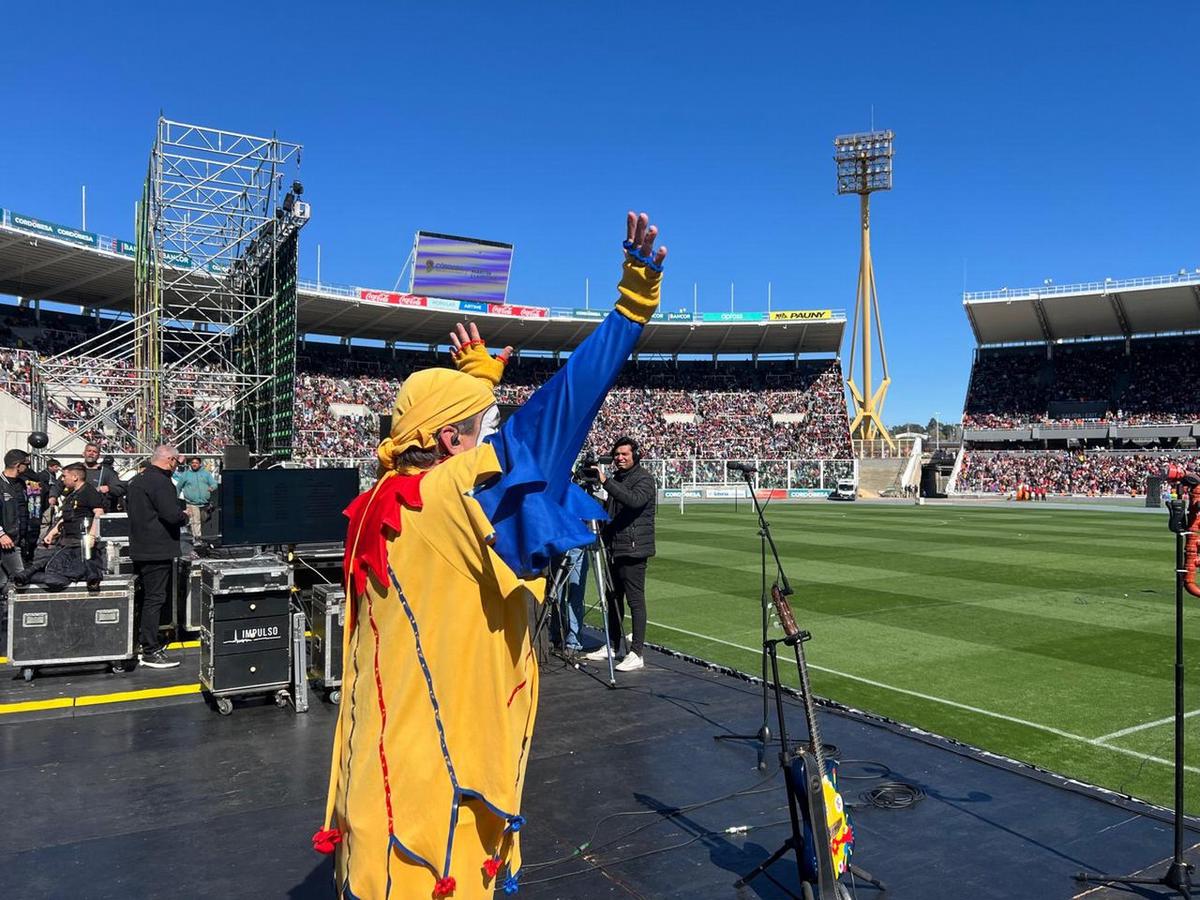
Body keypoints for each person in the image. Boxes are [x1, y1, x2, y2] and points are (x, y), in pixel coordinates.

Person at [316, 212, 667, 899]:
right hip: (437, 795)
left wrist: (476, 384)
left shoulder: (379, 502)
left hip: (376, 777)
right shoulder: (455, 495)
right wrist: (633, 303)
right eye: (484, 427)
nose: (494, 438)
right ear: (451, 442)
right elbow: (568, 403)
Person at [586, 436, 656, 672]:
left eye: (624, 454)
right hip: (614, 547)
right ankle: (614, 646)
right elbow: (610, 510)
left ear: (635, 455)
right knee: (613, 598)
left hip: (634, 548)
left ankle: (637, 652)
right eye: (616, 454)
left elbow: (633, 501)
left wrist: (605, 480)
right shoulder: (617, 479)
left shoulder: (644, 479)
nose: (619, 458)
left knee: (635, 601)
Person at [125, 444, 187, 670]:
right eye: (176, 462)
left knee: (144, 598)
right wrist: (185, 515)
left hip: (140, 547)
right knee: (155, 599)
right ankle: (149, 649)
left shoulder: (137, 480)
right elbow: (171, 515)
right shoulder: (161, 483)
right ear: (169, 460)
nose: (176, 467)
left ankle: (140, 641)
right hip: (157, 550)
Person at [0, 450, 29, 626]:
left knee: (4, 583)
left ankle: (7, 621)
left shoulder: (21, 484)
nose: (28, 468)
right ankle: (19, 621)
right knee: (20, 579)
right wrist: (1, 534)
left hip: (17, 540)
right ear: (18, 465)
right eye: (26, 464)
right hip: (6, 541)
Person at [173, 456, 217, 538]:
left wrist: (212, 487)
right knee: (196, 521)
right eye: (192, 463)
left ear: (200, 464)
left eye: (196, 463)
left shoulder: (206, 474)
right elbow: (178, 487)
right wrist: (175, 498)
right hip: (191, 503)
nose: (194, 464)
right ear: (190, 464)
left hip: (204, 503)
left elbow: (214, 483)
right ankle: (197, 539)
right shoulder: (185, 475)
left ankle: (191, 528)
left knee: (203, 520)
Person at [82, 441, 125, 512]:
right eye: (89, 451)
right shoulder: (75, 469)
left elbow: (120, 488)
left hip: (98, 511)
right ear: (83, 453)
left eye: (94, 452)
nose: (91, 453)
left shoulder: (106, 472)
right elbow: (59, 486)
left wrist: (108, 488)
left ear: (98, 456)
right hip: (77, 512)